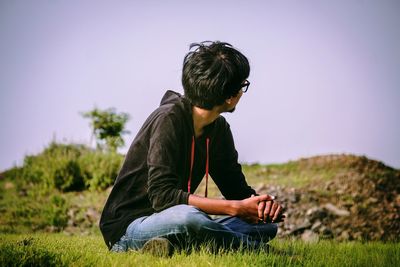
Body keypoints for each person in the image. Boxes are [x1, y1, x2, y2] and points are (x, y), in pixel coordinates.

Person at [99, 41, 284, 256]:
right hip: (129, 227)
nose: (242, 92)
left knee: (265, 226)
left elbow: (237, 190)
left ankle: (176, 245)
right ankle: (256, 251)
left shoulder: (219, 130)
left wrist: (260, 205)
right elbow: (163, 196)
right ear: (229, 95)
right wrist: (233, 208)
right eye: (243, 85)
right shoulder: (168, 119)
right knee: (190, 218)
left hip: (175, 219)